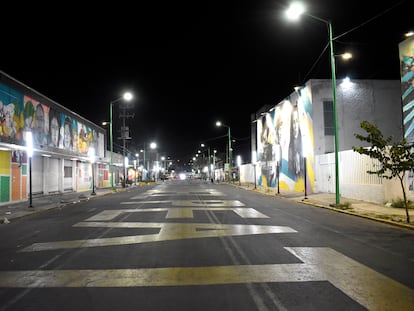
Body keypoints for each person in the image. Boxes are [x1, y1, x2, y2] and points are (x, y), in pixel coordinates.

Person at [288, 105, 303, 180]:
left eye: (297, 121)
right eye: (293, 122)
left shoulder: (303, 144)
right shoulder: (290, 147)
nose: (295, 125)